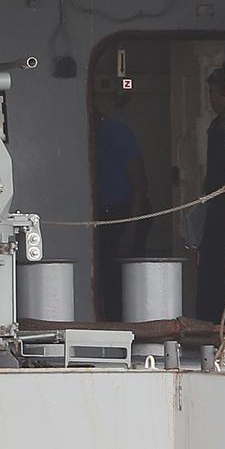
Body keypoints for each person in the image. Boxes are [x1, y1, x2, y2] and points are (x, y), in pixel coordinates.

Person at [94, 104, 149, 322]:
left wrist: (130, 229)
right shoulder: (95, 135)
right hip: (105, 215)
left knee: (126, 278)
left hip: (126, 212)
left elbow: (140, 183)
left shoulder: (117, 133)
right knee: (108, 277)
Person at [197, 68, 225, 323]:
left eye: (213, 92)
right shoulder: (218, 125)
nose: (211, 99)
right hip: (215, 203)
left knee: (221, 268)